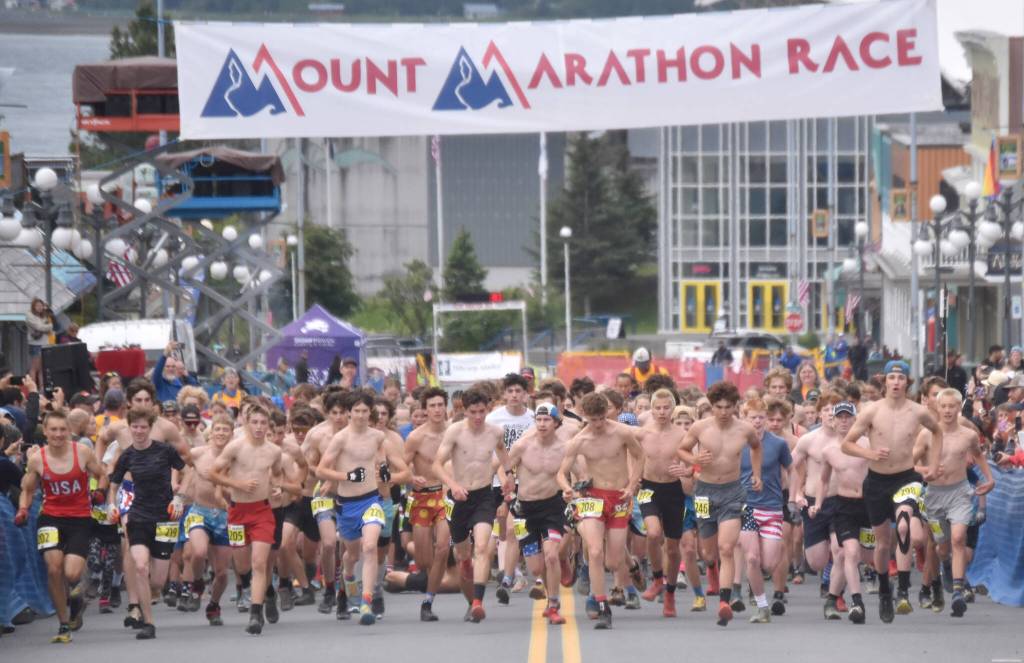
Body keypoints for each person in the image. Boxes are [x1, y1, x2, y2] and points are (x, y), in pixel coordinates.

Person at [840, 360, 943, 623]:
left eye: (901, 377)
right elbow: (847, 444)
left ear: (907, 382)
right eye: (891, 377)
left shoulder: (918, 411)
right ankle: (885, 588)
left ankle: (905, 590)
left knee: (905, 526)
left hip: (906, 478)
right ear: (884, 381)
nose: (896, 382)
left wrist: (932, 466)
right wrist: (870, 452)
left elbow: (937, 430)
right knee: (883, 542)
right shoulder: (871, 411)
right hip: (876, 481)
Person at [317, 391, 409, 626]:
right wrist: (347, 475)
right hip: (347, 504)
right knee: (352, 554)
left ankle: (367, 600)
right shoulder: (340, 439)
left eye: (364, 411)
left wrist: (386, 472)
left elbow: (390, 465)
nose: (360, 415)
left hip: (372, 500)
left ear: (371, 413)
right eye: (356, 411)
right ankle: (347, 577)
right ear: (349, 413)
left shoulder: (378, 437)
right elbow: (321, 470)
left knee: (370, 547)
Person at [15, 410, 106, 643]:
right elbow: (27, 488)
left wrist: (99, 492)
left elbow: (101, 473)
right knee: (54, 569)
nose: (58, 434)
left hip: (79, 518)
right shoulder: (37, 459)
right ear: (45, 431)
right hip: (50, 517)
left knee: (72, 573)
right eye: (53, 430)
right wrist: (23, 509)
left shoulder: (82, 452)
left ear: (69, 431)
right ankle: (64, 624)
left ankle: (79, 597)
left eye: (62, 429)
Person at [678, 381, 762, 627]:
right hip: (704, 492)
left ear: (735, 406)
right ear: (711, 406)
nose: (723, 412)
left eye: (728, 407)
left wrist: (757, 474)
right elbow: (681, 450)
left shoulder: (745, 429)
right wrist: (694, 459)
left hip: (733, 492)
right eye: (718, 407)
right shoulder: (700, 427)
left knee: (727, 548)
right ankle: (713, 571)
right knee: (708, 552)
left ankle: (724, 602)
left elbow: (756, 448)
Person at [558, 392, 644, 630]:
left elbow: (639, 456)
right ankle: (602, 606)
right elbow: (561, 472)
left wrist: (631, 485)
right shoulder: (579, 440)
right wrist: (566, 488)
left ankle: (632, 565)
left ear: (606, 414)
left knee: (613, 561)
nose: (597, 425)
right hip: (592, 497)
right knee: (595, 551)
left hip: (618, 496)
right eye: (593, 420)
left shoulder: (622, 432)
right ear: (585, 417)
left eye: (601, 419)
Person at [107, 406, 192, 640]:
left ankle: (154, 592)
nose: (139, 431)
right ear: (130, 427)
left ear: (151, 427)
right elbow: (113, 485)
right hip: (138, 517)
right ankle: (148, 622)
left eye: (143, 427)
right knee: (141, 566)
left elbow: (189, 472)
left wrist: (179, 497)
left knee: (157, 579)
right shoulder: (127, 455)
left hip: (164, 518)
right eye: (135, 426)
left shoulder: (165, 450)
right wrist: (111, 504)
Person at [432, 387, 512, 623]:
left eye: (482, 412)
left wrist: (510, 478)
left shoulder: (495, 431)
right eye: (473, 412)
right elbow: (436, 465)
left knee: (482, 546)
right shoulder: (455, 432)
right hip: (459, 498)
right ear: (464, 410)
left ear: (487, 409)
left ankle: (477, 602)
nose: (478, 417)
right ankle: (465, 563)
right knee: (463, 552)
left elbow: (503, 454)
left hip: (483, 496)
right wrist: (453, 485)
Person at [914, 388, 995, 618]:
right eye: (944, 406)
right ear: (937, 408)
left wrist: (990, 479)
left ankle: (958, 592)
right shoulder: (926, 435)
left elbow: (978, 455)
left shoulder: (967, 435)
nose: (948, 410)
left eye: (952, 406)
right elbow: (910, 464)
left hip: (960, 492)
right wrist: (926, 471)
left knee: (959, 538)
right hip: (934, 496)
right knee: (942, 545)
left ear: (959, 408)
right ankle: (946, 565)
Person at [506, 403, 571, 625]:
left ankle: (553, 605)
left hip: (552, 508)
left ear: (556, 423)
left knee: (551, 555)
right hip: (524, 509)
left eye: (547, 420)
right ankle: (548, 584)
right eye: (539, 420)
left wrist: (576, 492)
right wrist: (506, 482)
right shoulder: (523, 445)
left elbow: (581, 473)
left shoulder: (565, 448)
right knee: (535, 568)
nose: (542, 424)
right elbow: (501, 465)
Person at [814, 401, 872, 624]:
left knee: (867, 556)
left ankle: (831, 598)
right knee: (849, 552)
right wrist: (818, 503)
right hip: (843, 506)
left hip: (868, 506)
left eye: (848, 416)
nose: (844, 421)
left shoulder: (868, 444)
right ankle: (857, 602)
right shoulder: (828, 451)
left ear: (855, 419)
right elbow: (824, 480)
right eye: (840, 417)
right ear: (834, 420)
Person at [635, 388, 690, 617]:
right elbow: (632, 455)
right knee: (653, 533)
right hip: (649, 487)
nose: (662, 412)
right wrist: (633, 479)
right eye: (657, 408)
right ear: (651, 409)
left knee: (673, 547)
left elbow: (694, 462)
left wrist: (686, 471)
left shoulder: (682, 435)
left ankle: (670, 593)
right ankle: (657, 578)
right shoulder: (642, 433)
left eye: (666, 407)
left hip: (674, 490)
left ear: (673, 408)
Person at [738, 398, 792, 624]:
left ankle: (760, 582)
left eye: (762, 417)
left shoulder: (778, 444)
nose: (758, 421)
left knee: (768, 564)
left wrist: (795, 496)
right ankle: (762, 606)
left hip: (772, 507)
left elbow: (793, 469)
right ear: (745, 418)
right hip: (745, 505)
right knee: (751, 558)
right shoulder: (737, 443)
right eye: (753, 417)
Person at [403, 387, 451, 622]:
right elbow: (401, 468)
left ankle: (428, 601)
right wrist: (411, 477)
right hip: (422, 497)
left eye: (441, 405)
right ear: (425, 409)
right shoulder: (416, 437)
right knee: (424, 560)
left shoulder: (455, 432)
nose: (437, 410)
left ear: (446, 407)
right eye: (432, 406)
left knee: (443, 547)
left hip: (446, 496)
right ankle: (431, 580)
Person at [486, 372, 534, 605]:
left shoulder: (534, 419)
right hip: (499, 481)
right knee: (502, 531)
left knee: (513, 527)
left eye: (519, 391)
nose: (514, 395)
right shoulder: (494, 418)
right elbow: (491, 452)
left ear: (526, 394)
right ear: (504, 394)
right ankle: (512, 572)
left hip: (526, 481)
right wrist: (502, 477)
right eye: (510, 391)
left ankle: (511, 574)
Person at [183, 414, 234, 625]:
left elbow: (238, 489)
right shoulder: (197, 454)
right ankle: (196, 582)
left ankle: (214, 605)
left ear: (231, 434)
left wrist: (222, 483)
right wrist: (179, 494)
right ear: (210, 433)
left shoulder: (235, 458)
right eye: (218, 429)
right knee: (199, 551)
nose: (221, 433)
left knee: (222, 573)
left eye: (225, 430)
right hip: (199, 511)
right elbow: (180, 465)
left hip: (225, 515)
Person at [300, 391, 348, 615]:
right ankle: (329, 588)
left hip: (352, 494)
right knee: (329, 544)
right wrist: (326, 476)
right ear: (327, 413)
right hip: (324, 494)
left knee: (347, 546)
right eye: (334, 413)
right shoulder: (317, 435)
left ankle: (345, 593)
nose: (339, 417)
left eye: (343, 412)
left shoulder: (358, 435)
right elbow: (307, 465)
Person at [25, 298, 53, 386]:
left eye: (41, 306)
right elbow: (39, 327)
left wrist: (48, 326)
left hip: (45, 343)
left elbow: (51, 326)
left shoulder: (44, 315)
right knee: (34, 368)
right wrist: (48, 326)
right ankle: (32, 388)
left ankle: (42, 387)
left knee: (42, 368)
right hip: (35, 344)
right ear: (33, 306)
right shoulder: (30, 315)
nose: (40, 308)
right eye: (37, 306)